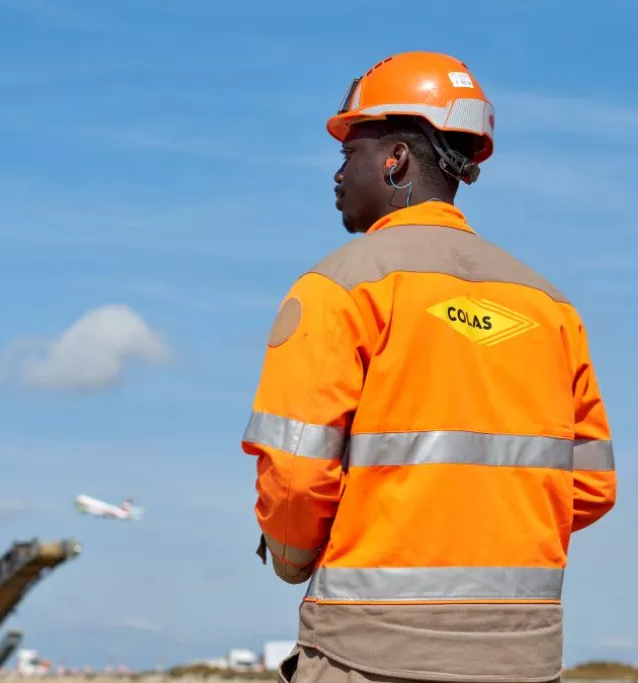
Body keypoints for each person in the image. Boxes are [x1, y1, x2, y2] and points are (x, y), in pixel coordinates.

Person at [240, 51, 617, 683]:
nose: (336, 174)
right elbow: (591, 487)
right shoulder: (550, 307)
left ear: (395, 159)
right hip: (522, 655)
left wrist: (289, 555)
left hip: (370, 651)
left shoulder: (341, 287)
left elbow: (298, 479)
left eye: (347, 153)